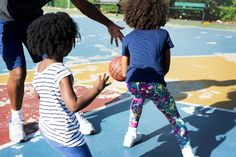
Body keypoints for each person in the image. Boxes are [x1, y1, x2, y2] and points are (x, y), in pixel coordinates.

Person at [0, 0, 123, 142]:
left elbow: (84, 5)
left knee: (54, 61)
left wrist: (108, 23)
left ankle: (71, 111)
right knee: (18, 72)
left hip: (33, 19)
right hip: (5, 21)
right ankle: (16, 119)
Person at [27, 12, 110, 157]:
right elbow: (74, 106)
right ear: (66, 43)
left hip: (47, 128)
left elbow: (36, 94)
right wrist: (97, 88)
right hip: (66, 134)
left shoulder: (39, 67)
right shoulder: (61, 72)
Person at [120, 1, 195, 157]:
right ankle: (188, 153)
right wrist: (156, 80)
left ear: (130, 13)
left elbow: (123, 71)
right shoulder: (163, 34)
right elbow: (166, 66)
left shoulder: (128, 38)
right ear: (159, 12)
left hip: (133, 83)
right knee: (176, 119)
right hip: (155, 83)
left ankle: (130, 134)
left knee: (138, 98)